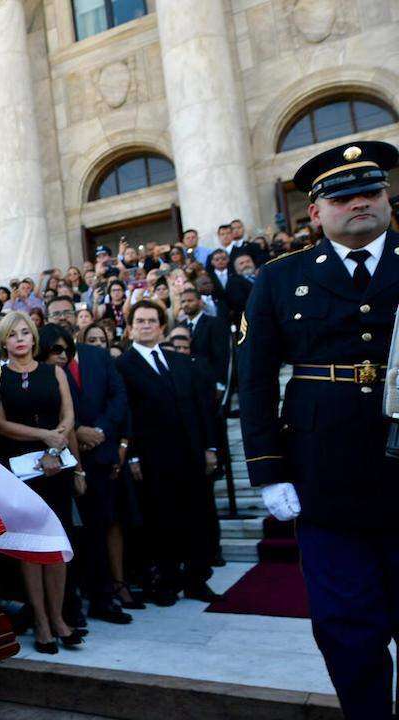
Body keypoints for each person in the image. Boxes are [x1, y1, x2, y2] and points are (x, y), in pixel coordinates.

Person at [239, 141, 399, 718]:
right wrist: (267, 469)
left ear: (387, 196)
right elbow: (254, 379)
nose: (359, 202)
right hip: (323, 477)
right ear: (315, 211)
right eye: (342, 195)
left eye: (371, 191)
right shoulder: (282, 279)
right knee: (346, 628)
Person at [116, 301, 222, 606]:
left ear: (162, 326)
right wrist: (132, 455)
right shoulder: (122, 366)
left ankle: (196, 581)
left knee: (197, 518)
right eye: (140, 321)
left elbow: (201, 408)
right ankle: (166, 582)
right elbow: (127, 414)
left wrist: (209, 448)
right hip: (152, 459)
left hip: (190, 454)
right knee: (160, 521)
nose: (146, 325)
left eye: (152, 320)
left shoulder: (180, 362)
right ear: (131, 326)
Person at [0, 314, 86, 652]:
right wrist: (44, 436)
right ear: (4, 342)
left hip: (55, 467)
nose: (20, 339)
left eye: (25, 333)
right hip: (18, 470)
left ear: (34, 338)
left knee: (57, 543)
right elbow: (1, 424)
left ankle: (59, 617)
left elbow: (69, 417)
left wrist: (53, 445)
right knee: (31, 547)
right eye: (12, 335)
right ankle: (42, 622)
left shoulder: (54, 372)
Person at [43, 299, 134, 625]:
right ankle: (74, 601)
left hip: (103, 454)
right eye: (56, 314)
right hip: (68, 458)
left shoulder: (97, 355)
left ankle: (104, 596)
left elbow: (118, 396)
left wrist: (100, 430)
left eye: (67, 312)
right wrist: (77, 431)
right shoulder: (46, 361)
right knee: (73, 534)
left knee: (101, 527)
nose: (63, 318)